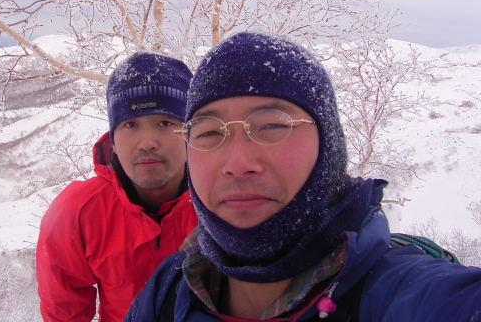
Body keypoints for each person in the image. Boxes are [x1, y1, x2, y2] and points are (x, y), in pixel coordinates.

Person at [127, 32, 481, 321]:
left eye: (272, 125)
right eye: (209, 133)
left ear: (328, 147)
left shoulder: (405, 294)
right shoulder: (170, 291)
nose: (237, 162)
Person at [36, 52, 198, 322]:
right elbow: (64, 313)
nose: (147, 142)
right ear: (113, 138)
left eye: (165, 123)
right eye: (131, 124)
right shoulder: (77, 213)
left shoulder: (222, 201)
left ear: (190, 132)